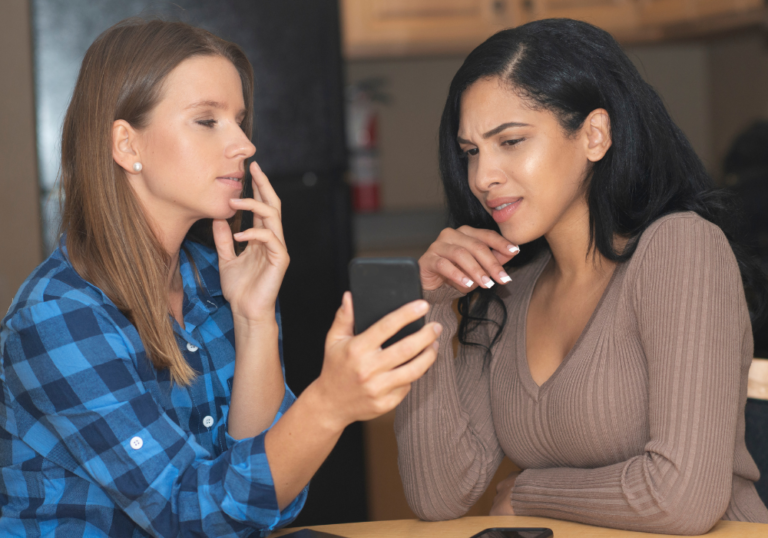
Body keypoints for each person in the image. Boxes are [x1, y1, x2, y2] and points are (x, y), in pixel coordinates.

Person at [0, 19, 441, 537]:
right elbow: (191, 517)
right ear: (126, 145)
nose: (244, 145)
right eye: (207, 121)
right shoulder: (58, 317)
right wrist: (328, 405)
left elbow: (263, 502)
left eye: (239, 120)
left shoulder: (218, 278)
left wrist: (255, 320)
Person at [395, 18, 768, 535]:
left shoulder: (681, 248)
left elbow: (685, 498)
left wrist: (527, 492)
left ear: (595, 134)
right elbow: (440, 495)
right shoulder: (508, 287)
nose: (482, 177)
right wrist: (429, 309)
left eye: (511, 141)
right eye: (471, 152)